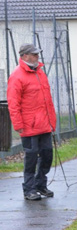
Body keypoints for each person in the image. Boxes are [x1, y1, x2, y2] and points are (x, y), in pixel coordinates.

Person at [7, 43, 57, 201]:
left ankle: (40, 184)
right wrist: (18, 125)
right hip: (29, 126)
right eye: (34, 54)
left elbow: (47, 100)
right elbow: (13, 103)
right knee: (31, 158)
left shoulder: (40, 73)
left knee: (47, 155)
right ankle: (29, 189)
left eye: (37, 54)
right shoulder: (17, 75)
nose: (37, 57)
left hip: (45, 125)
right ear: (24, 56)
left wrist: (51, 121)